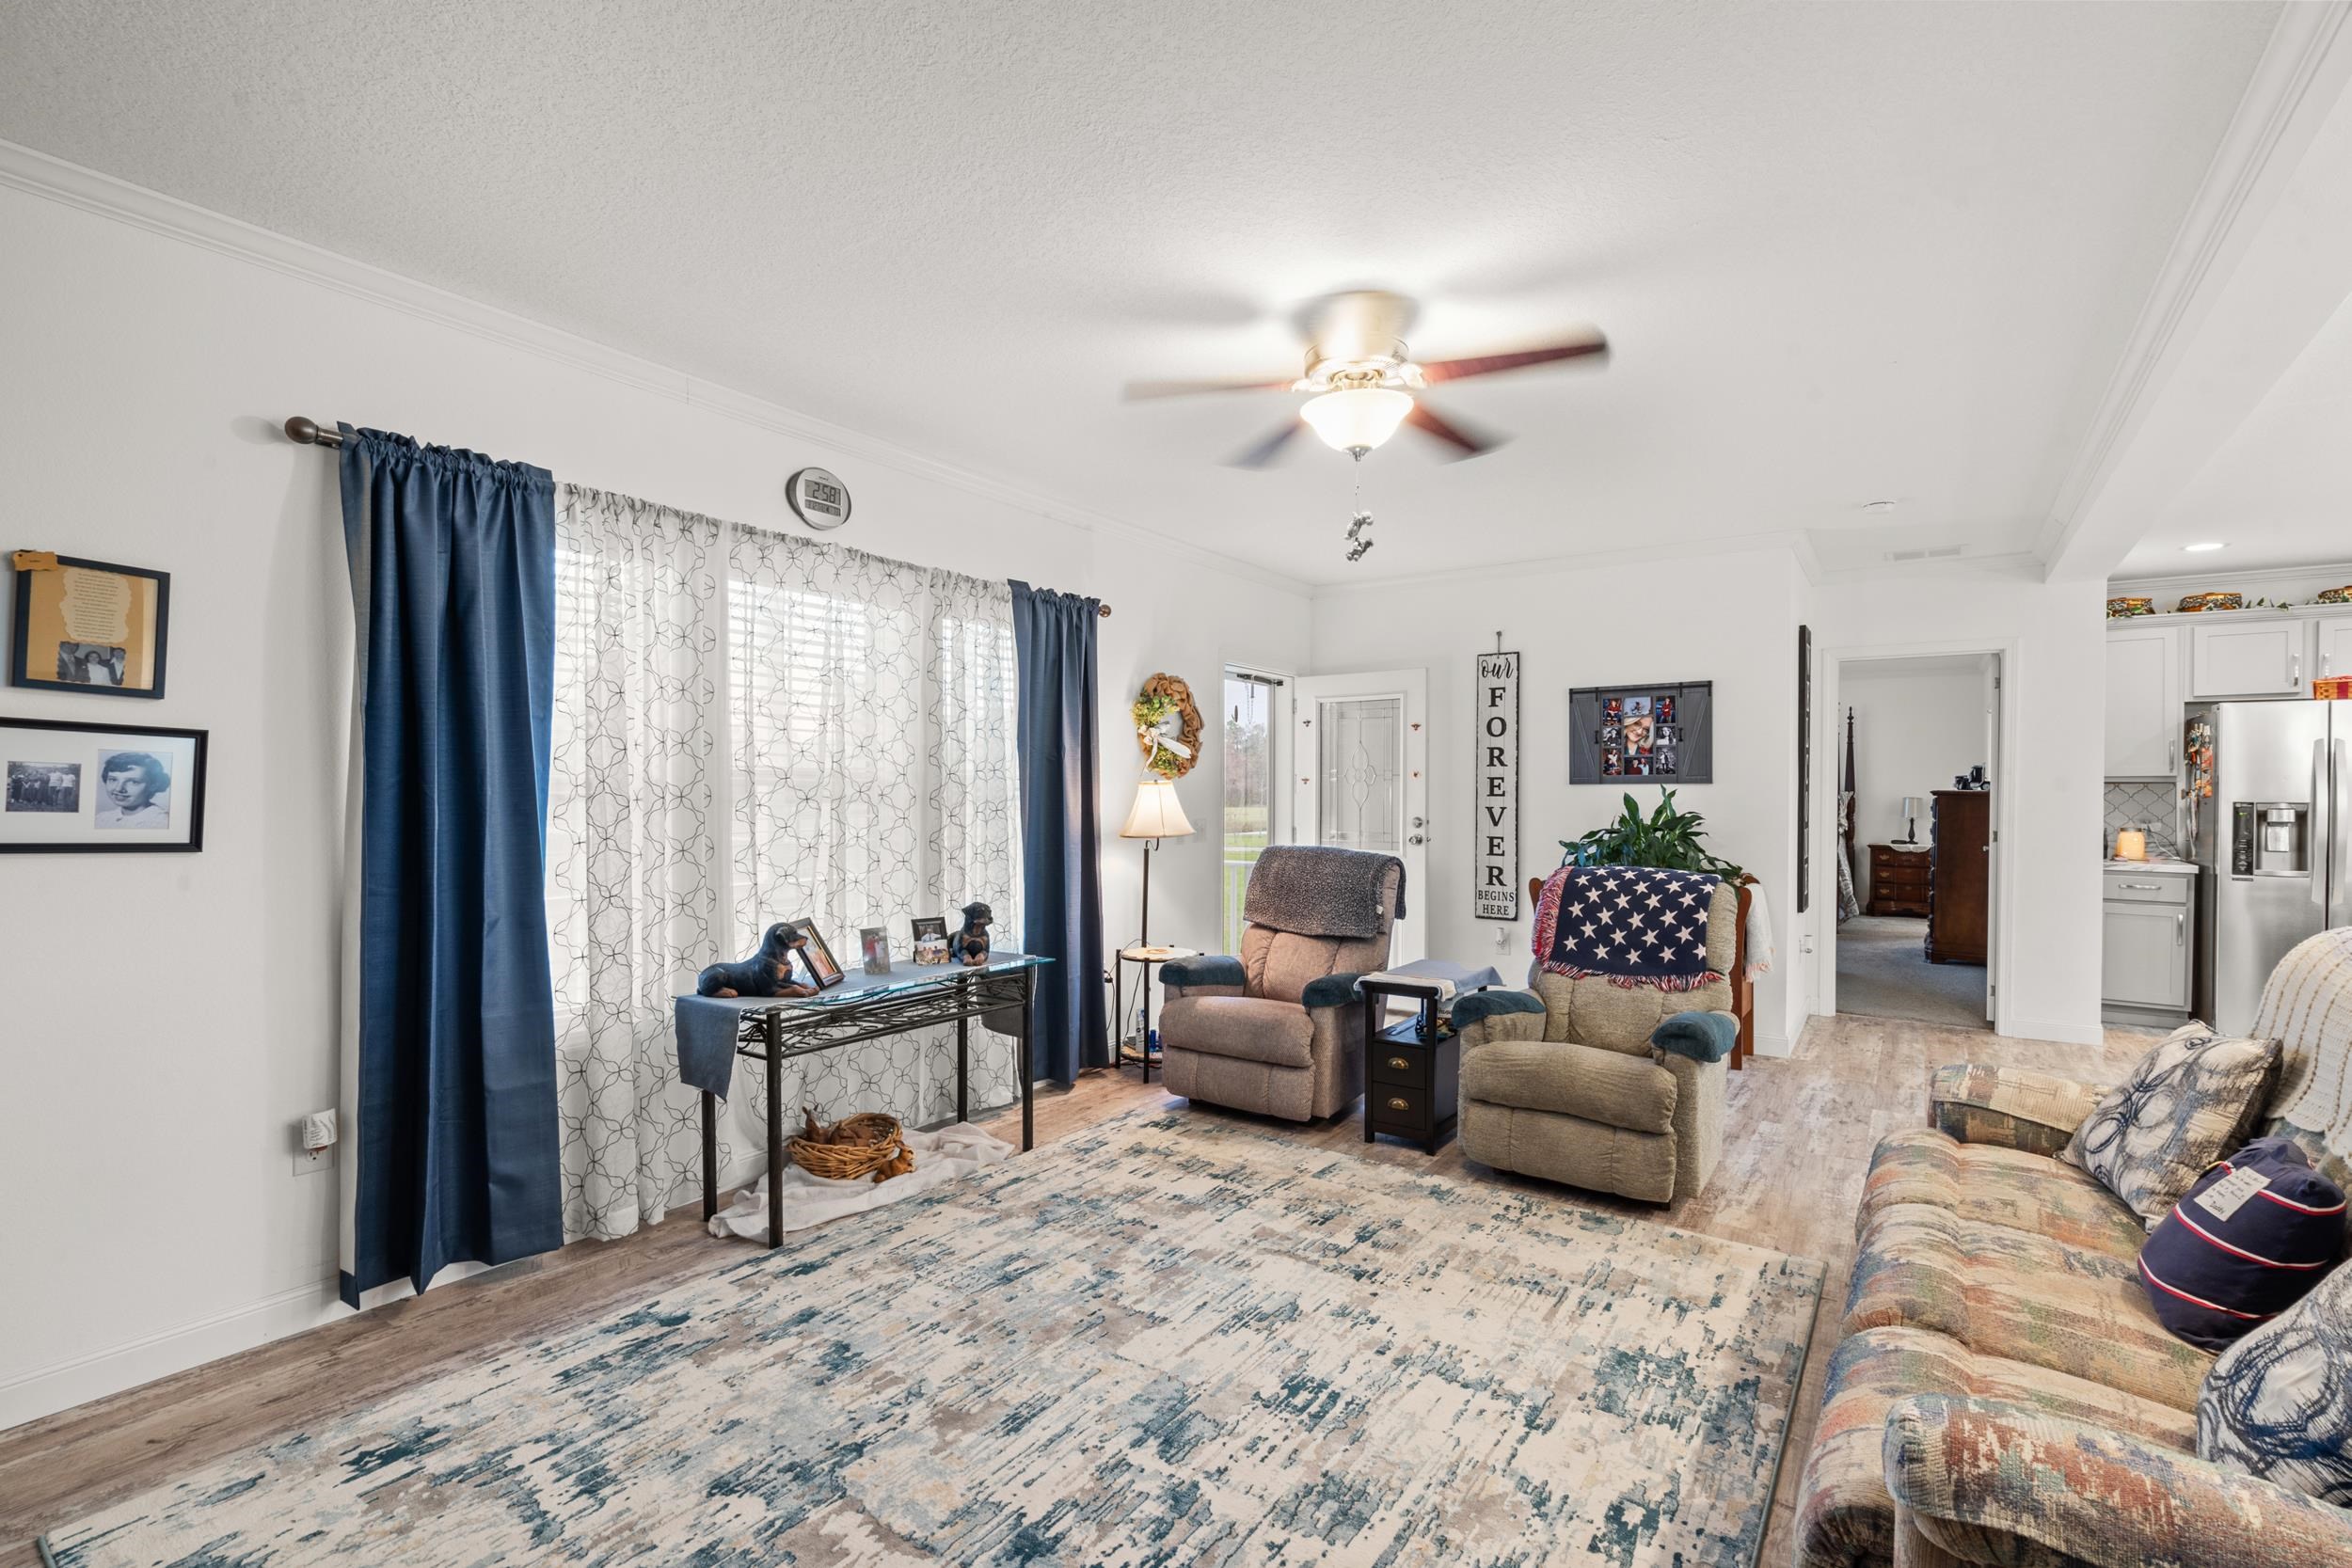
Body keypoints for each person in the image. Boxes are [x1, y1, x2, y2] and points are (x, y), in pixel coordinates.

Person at [95, 751, 170, 829]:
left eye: (133, 782)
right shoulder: (101, 819)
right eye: (113, 780)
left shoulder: (162, 823)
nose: (118, 788)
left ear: (153, 785)